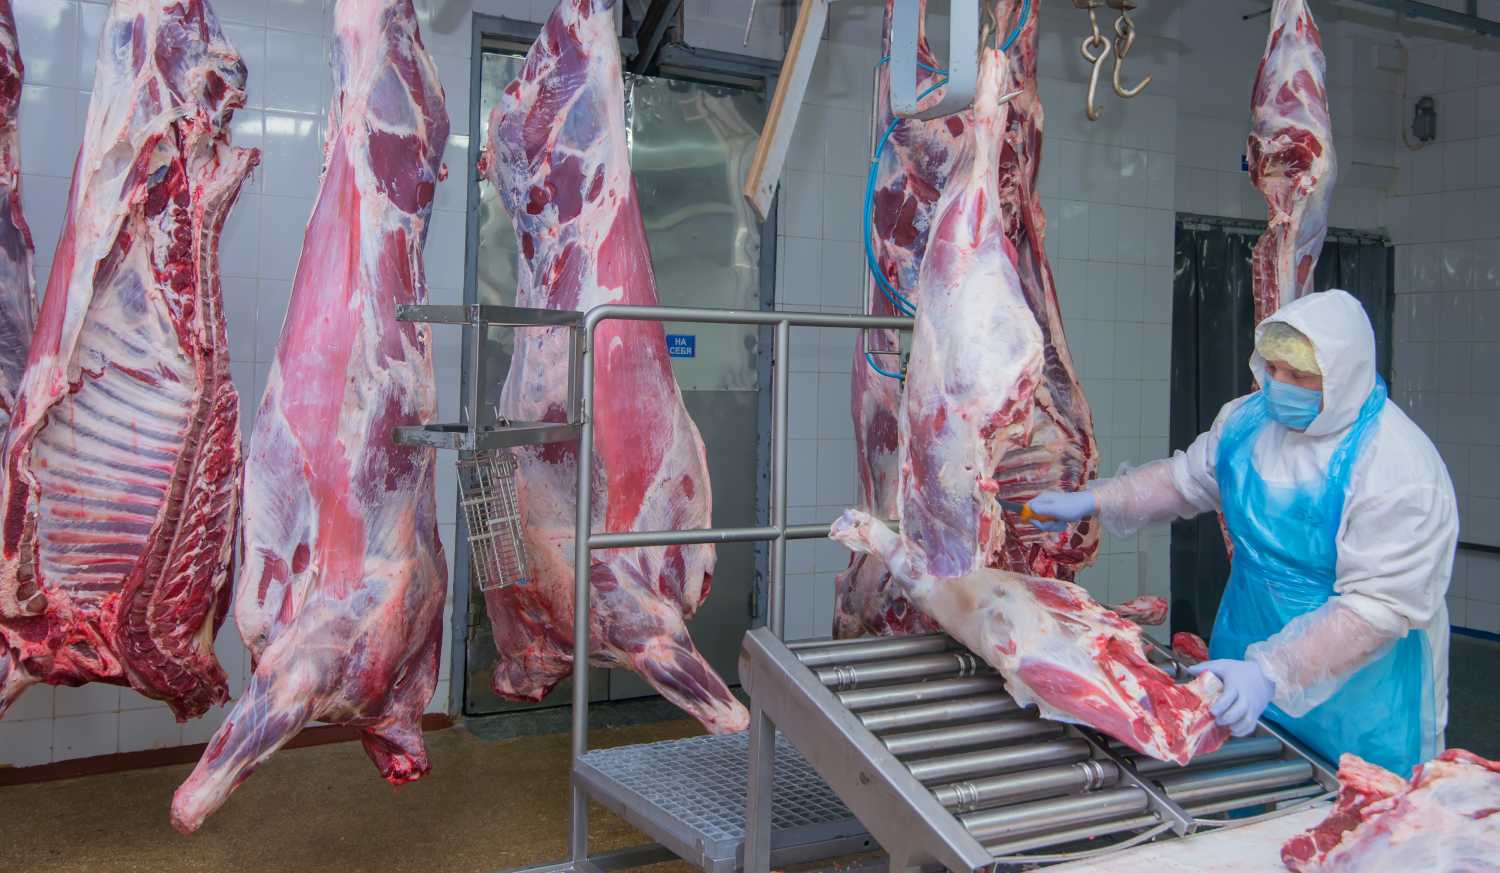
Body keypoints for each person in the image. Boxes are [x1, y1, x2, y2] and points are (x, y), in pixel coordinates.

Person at [1029, 289, 1455, 776]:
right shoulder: (1250, 420)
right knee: (1241, 798)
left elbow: (1377, 611)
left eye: (1299, 376)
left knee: (1361, 814)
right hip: (1247, 650)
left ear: (1343, 379)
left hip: (1360, 692)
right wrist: (1095, 499)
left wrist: (1273, 672)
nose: (1278, 385)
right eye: (1272, 368)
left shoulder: (1397, 467)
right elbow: (1184, 481)